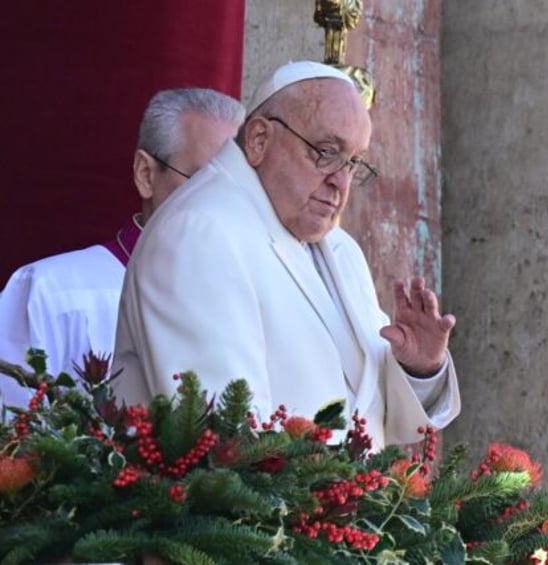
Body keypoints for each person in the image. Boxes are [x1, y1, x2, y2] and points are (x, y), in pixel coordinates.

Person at [113, 61, 461, 450]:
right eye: (325, 152)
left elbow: (374, 417)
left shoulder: (340, 249)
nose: (340, 181)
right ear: (259, 140)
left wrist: (418, 366)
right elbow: (222, 443)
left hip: (343, 507)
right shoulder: (199, 232)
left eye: (353, 162)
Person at [0, 88, 245, 408]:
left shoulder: (251, 299)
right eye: (205, 182)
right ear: (146, 174)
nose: (228, 205)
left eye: (241, 187)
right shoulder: (52, 295)